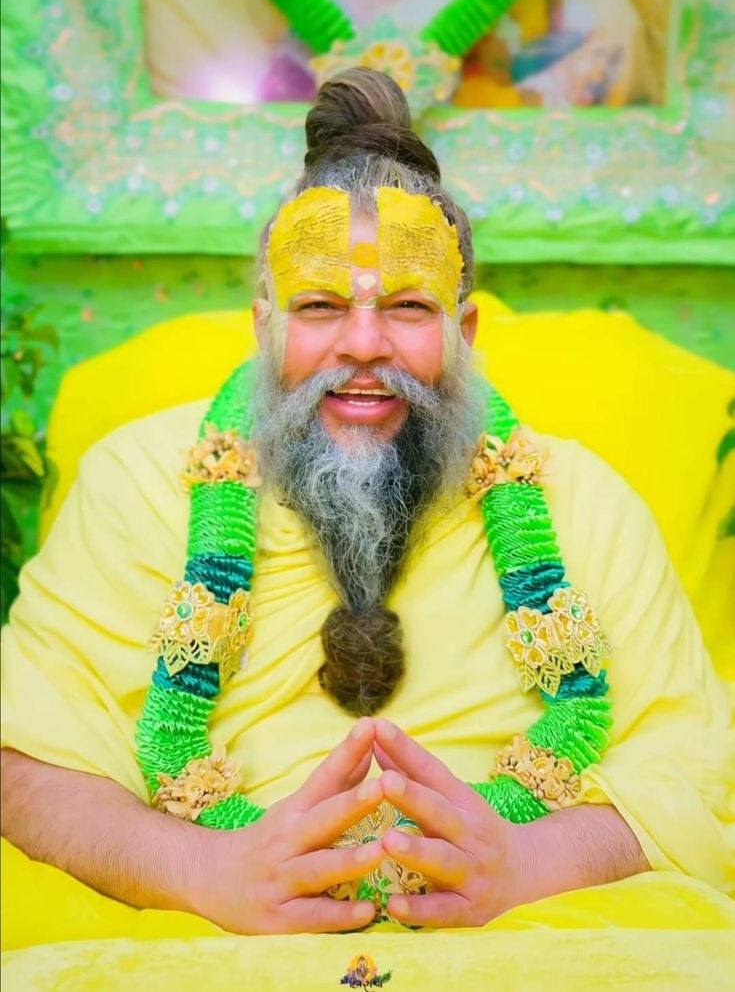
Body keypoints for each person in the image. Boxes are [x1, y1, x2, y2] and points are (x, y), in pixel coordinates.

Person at [1, 69, 732, 942]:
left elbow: (696, 769)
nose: (361, 345)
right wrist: (207, 869)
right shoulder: (138, 481)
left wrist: (528, 863)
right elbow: (25, 761)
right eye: (318, 307)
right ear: (264, 323)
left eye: (407, 307)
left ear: (462, 337)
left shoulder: (585, 503)